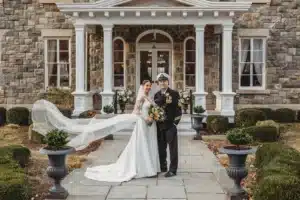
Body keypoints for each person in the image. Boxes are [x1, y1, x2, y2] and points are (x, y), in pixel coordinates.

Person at [31, 80, 161, 182]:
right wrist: (146, 118)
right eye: (147, 85)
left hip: (148, 124)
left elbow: (149, 109)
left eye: (150, 85)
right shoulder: (141, 98)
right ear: (143, 86)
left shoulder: (148, 96)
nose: (148, 87)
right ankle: (144, 168)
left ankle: (149, 167)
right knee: (141, 145)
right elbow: (136, 112)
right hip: (143, 123)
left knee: (146, 145)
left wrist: (152, 116)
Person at [154, 73, 181, 177]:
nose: (162, 83)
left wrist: (175, 123)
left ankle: (173, 169)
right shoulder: (157, 94)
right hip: (160, 125)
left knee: (173, 149)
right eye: (160, 81)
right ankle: (163, 166)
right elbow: (157, 106)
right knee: (161, 148)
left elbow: (179, 109)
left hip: (170, 125)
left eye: (164, 81)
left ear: (168, 82)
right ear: (158, 83)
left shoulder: (174, 93)